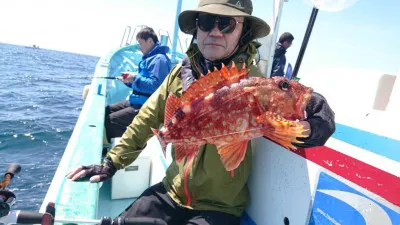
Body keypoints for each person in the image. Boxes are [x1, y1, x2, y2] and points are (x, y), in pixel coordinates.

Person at [67, 0, 336, 224]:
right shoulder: (178, 74)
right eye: (206, 22)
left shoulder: (256, 84)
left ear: (243, 32)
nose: (215, 32)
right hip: (170, 192)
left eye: (227, 24)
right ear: (197, 28)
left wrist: (315, 110)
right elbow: (146, 118)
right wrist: (113, 162)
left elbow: (294, 107)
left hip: (219, 209)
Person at [104, 26, 172, 143]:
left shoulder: (160, 59)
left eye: (140, 43)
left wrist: (134, 78)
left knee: (111, 121)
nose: (139, 47)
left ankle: (132, 145)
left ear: (150, 41)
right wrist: (129, 81)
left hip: (147, 106)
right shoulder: (149, 58)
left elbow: (156, 86)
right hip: (136, 101)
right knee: (106, 111)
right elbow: (142, 84)